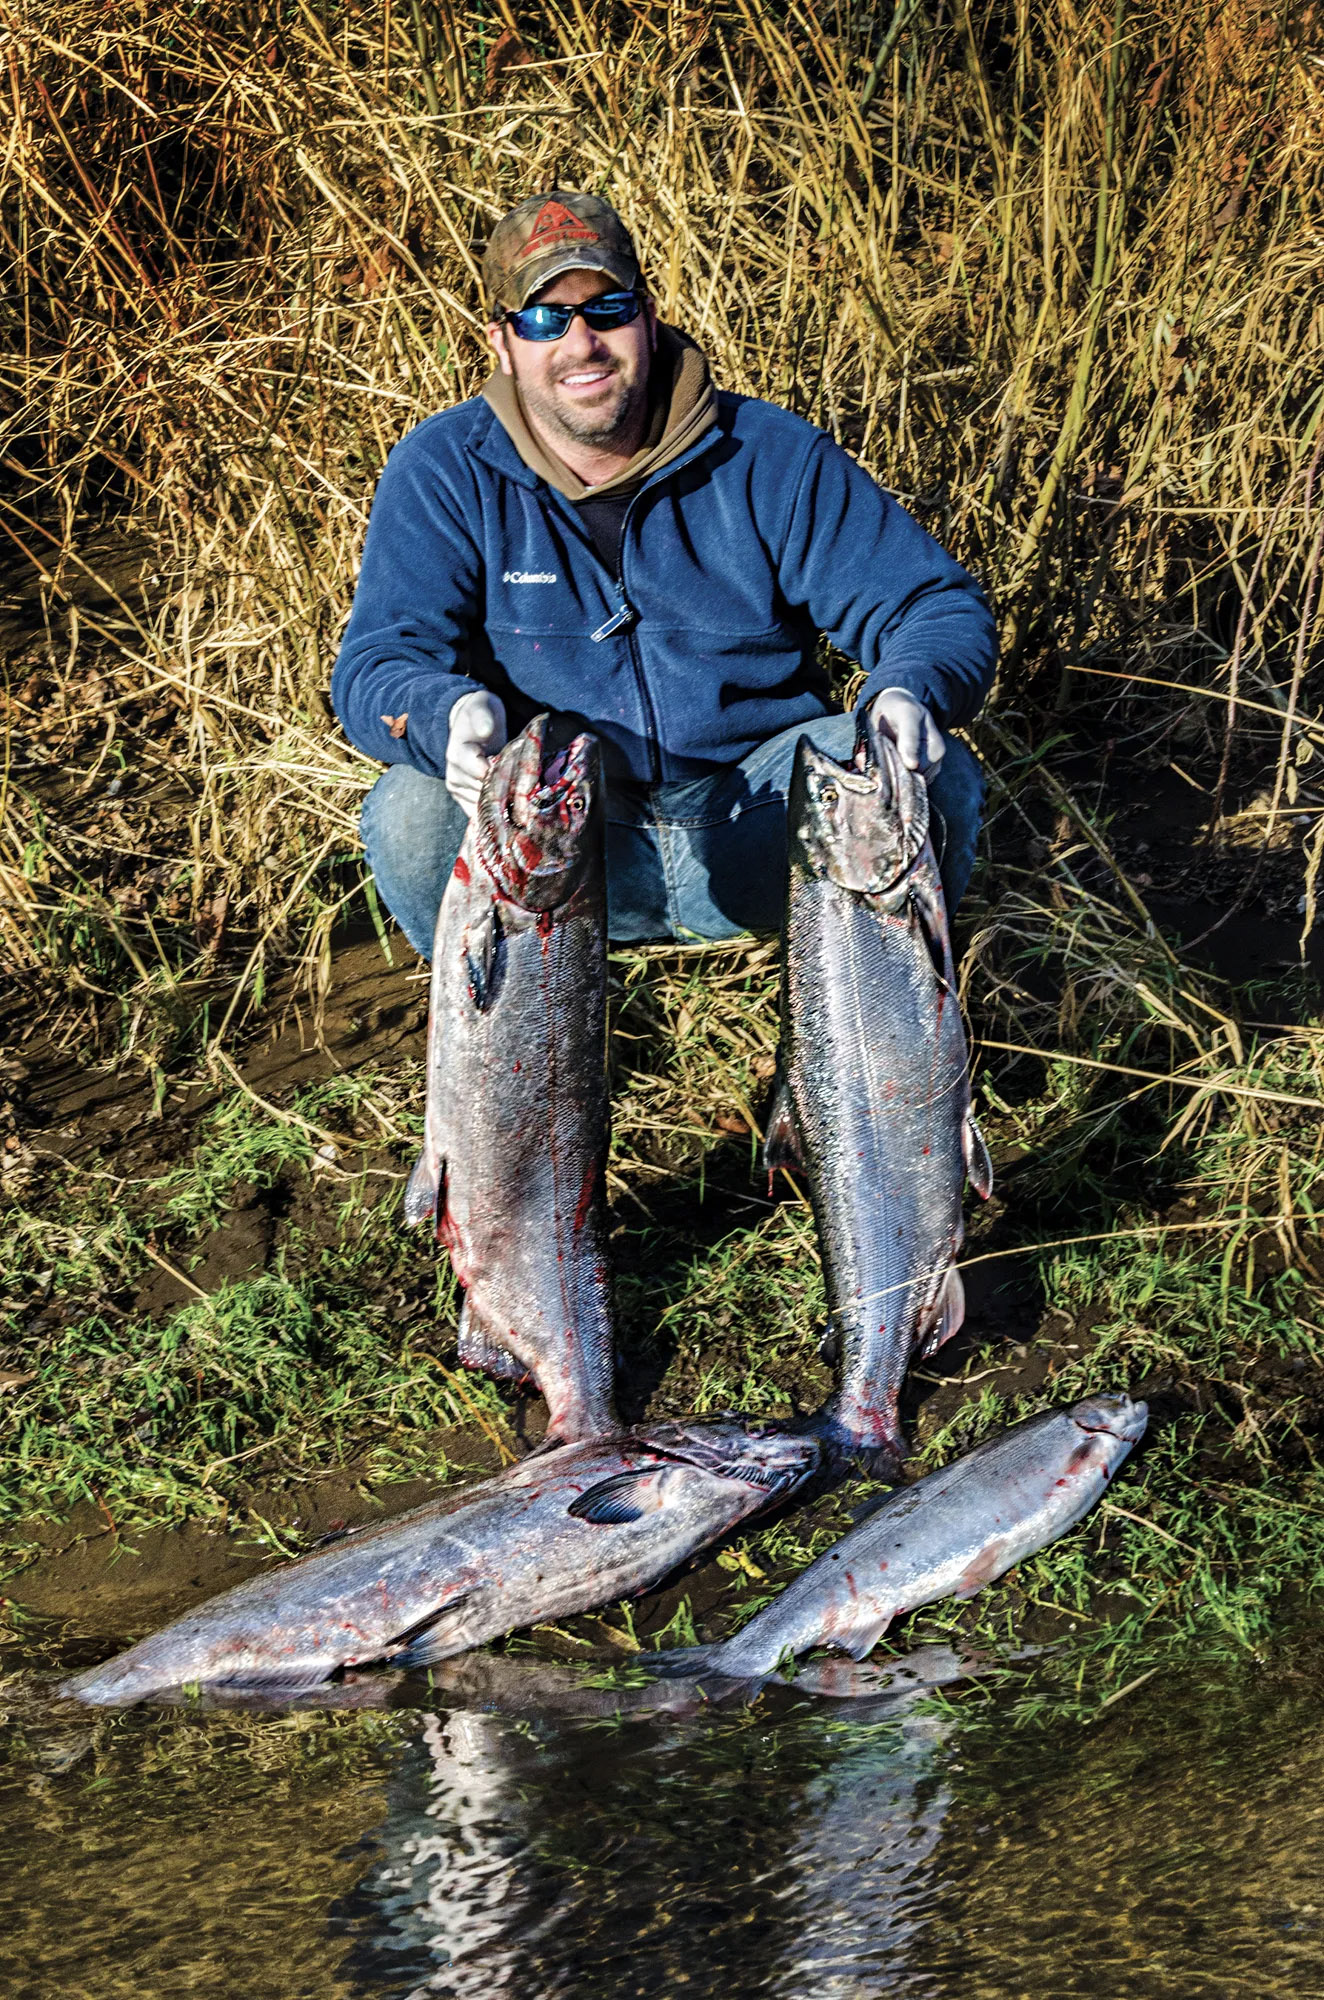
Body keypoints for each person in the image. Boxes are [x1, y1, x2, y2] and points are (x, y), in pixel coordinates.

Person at [332, 190, 995, 953]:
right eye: (545, 320)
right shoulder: (444, 470)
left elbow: (934, 608)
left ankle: (857, 1031)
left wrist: (907, 689)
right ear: (503, 343)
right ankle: (523, 1018)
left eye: (606, 309)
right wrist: (444, 714)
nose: (581, 343)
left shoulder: (769, 455)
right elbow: (377, 665)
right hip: (560, 838)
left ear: (646, 317)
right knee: (410, 812)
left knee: (922, 779)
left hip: (763, 818)